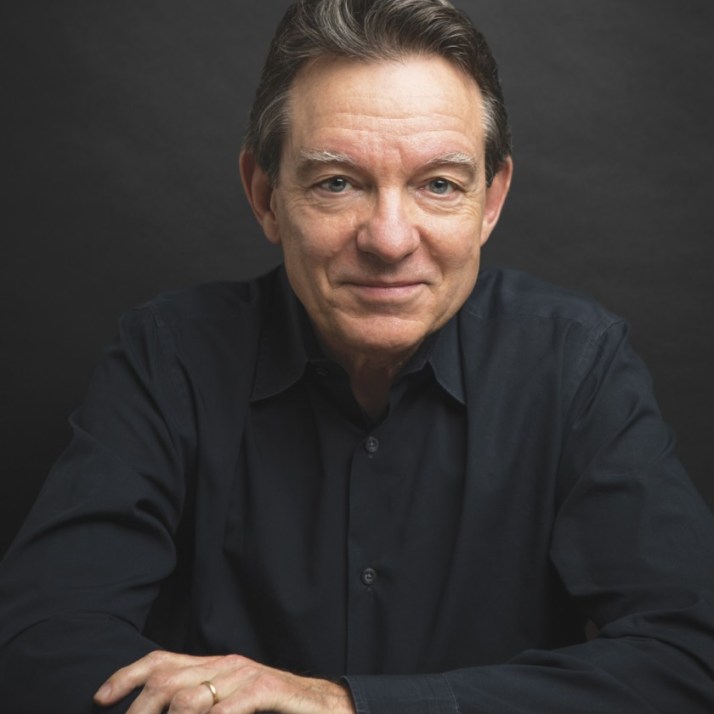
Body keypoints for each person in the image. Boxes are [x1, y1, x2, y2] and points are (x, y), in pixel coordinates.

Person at [1, 0, 713, 711]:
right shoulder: (171, 357)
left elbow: (689, 656)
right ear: (265, 196)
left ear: (491, 201)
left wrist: (342, 704)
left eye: (439, 184)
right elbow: (40, 642)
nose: (389, 240)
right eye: (337, 182)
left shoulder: (577, 364)